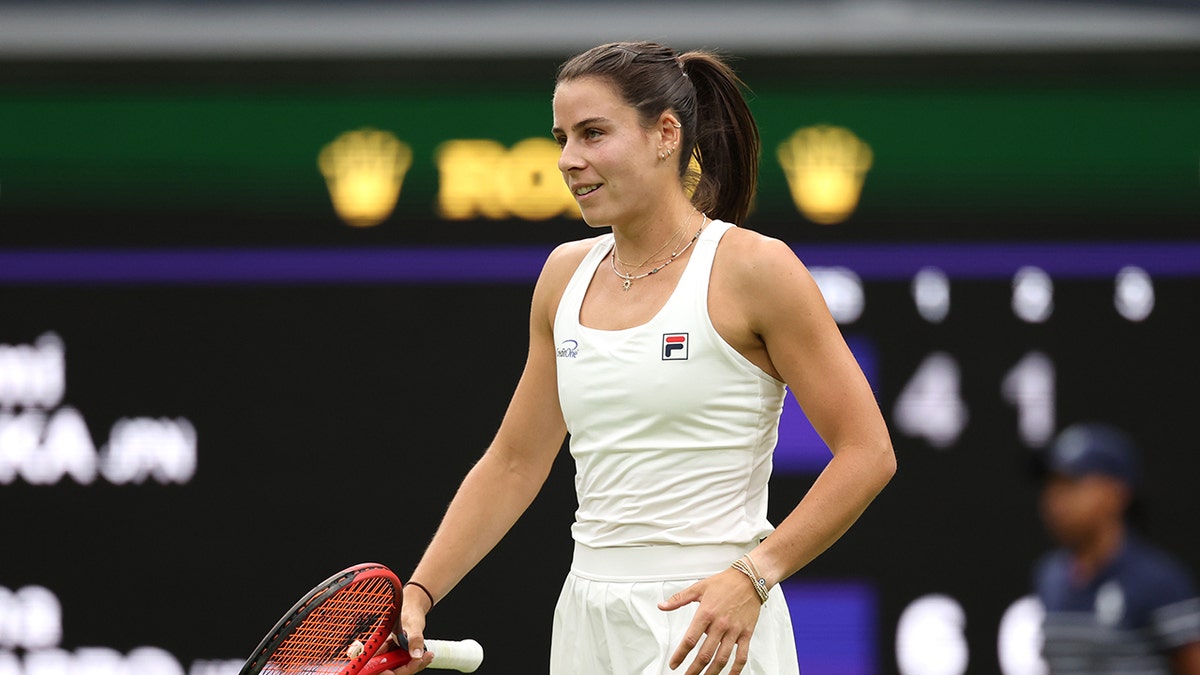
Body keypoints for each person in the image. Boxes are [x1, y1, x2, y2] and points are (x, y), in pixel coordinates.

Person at [381, 41, 896, 675]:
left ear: (666, 135)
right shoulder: (562, 275)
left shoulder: (756, 269)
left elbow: (868, 452)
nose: (570, 160)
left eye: (593, 134)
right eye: (562, 138)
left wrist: (756, 574)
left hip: (712, 624)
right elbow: (514, 462)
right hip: (585, 620)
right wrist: (419, 593)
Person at [1035, 422, 1200, 674]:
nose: (1056, 498)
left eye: (1072, 483)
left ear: (1116, 493)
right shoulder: (1050, 575)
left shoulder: (1159, 581)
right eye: (1052, 484)